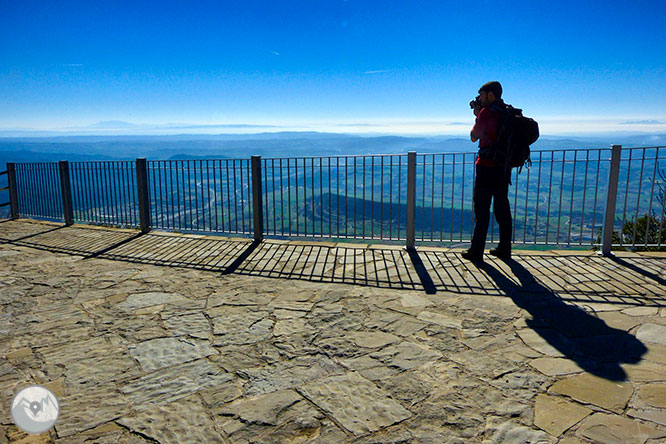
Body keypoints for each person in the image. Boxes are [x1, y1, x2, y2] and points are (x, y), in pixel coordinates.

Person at [461, 81, 512, 262]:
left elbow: (474, 137)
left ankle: (476, 251)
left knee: (481, 211)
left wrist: (478, 116)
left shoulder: (486, 113)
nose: (480, 99)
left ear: (490, 95)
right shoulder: (505, 111)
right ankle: (505, 248)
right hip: (503, 168)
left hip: (486, 168)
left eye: (482, 95)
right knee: (502, 209)